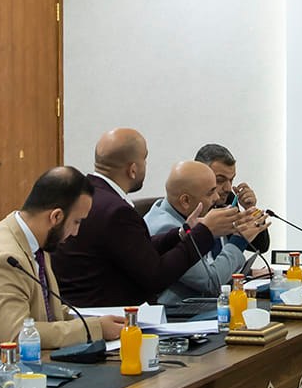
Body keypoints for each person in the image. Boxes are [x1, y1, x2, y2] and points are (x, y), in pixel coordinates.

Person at [0, 167, 125, 358]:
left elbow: (49, 312)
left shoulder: (34, 240)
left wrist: (97, 322)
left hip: (28, 360)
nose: (76, 233)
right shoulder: (2, 259)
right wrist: (94, 329)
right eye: (77, 222)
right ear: (56, 217)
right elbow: (20, 334)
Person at [55, 128, 240, 306]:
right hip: (106, 314)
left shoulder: (89, 194)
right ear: (133, 169)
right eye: (145, 159)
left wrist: (182, 233)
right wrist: (204, 232)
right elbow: (156, 276)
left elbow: (139, 251)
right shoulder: (116, 211)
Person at [144, 161, 269, 308]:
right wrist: (239, 241)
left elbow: (213, 267)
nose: (216, 197)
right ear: (185, 201)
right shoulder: (166, 228)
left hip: (204, 303)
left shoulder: (190, 214)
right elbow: (211, 283)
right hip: (179, 312)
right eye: (210, 192)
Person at [195, 142, 271, 255]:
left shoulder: (228, 200)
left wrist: (251, 209)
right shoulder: (189, 207)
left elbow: (259, 247)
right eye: (220, 180)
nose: (228, 188)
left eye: (231, 180)